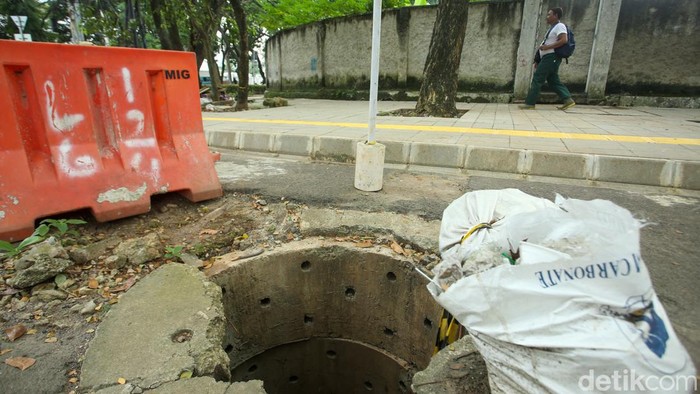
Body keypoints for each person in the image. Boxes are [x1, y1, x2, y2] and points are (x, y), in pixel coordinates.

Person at [519, 7, 575, 110]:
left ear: (556, 16)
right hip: (548, 58)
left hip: (551, 57)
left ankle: (530, 103)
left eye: (549, 14)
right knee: (553, 80)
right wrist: (538, 59)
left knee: (538, 78)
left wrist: (547, 47)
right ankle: (567, 99)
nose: (547, 17)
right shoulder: (553, 28)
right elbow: (545, 44)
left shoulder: (560, 26)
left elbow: (564, 40)